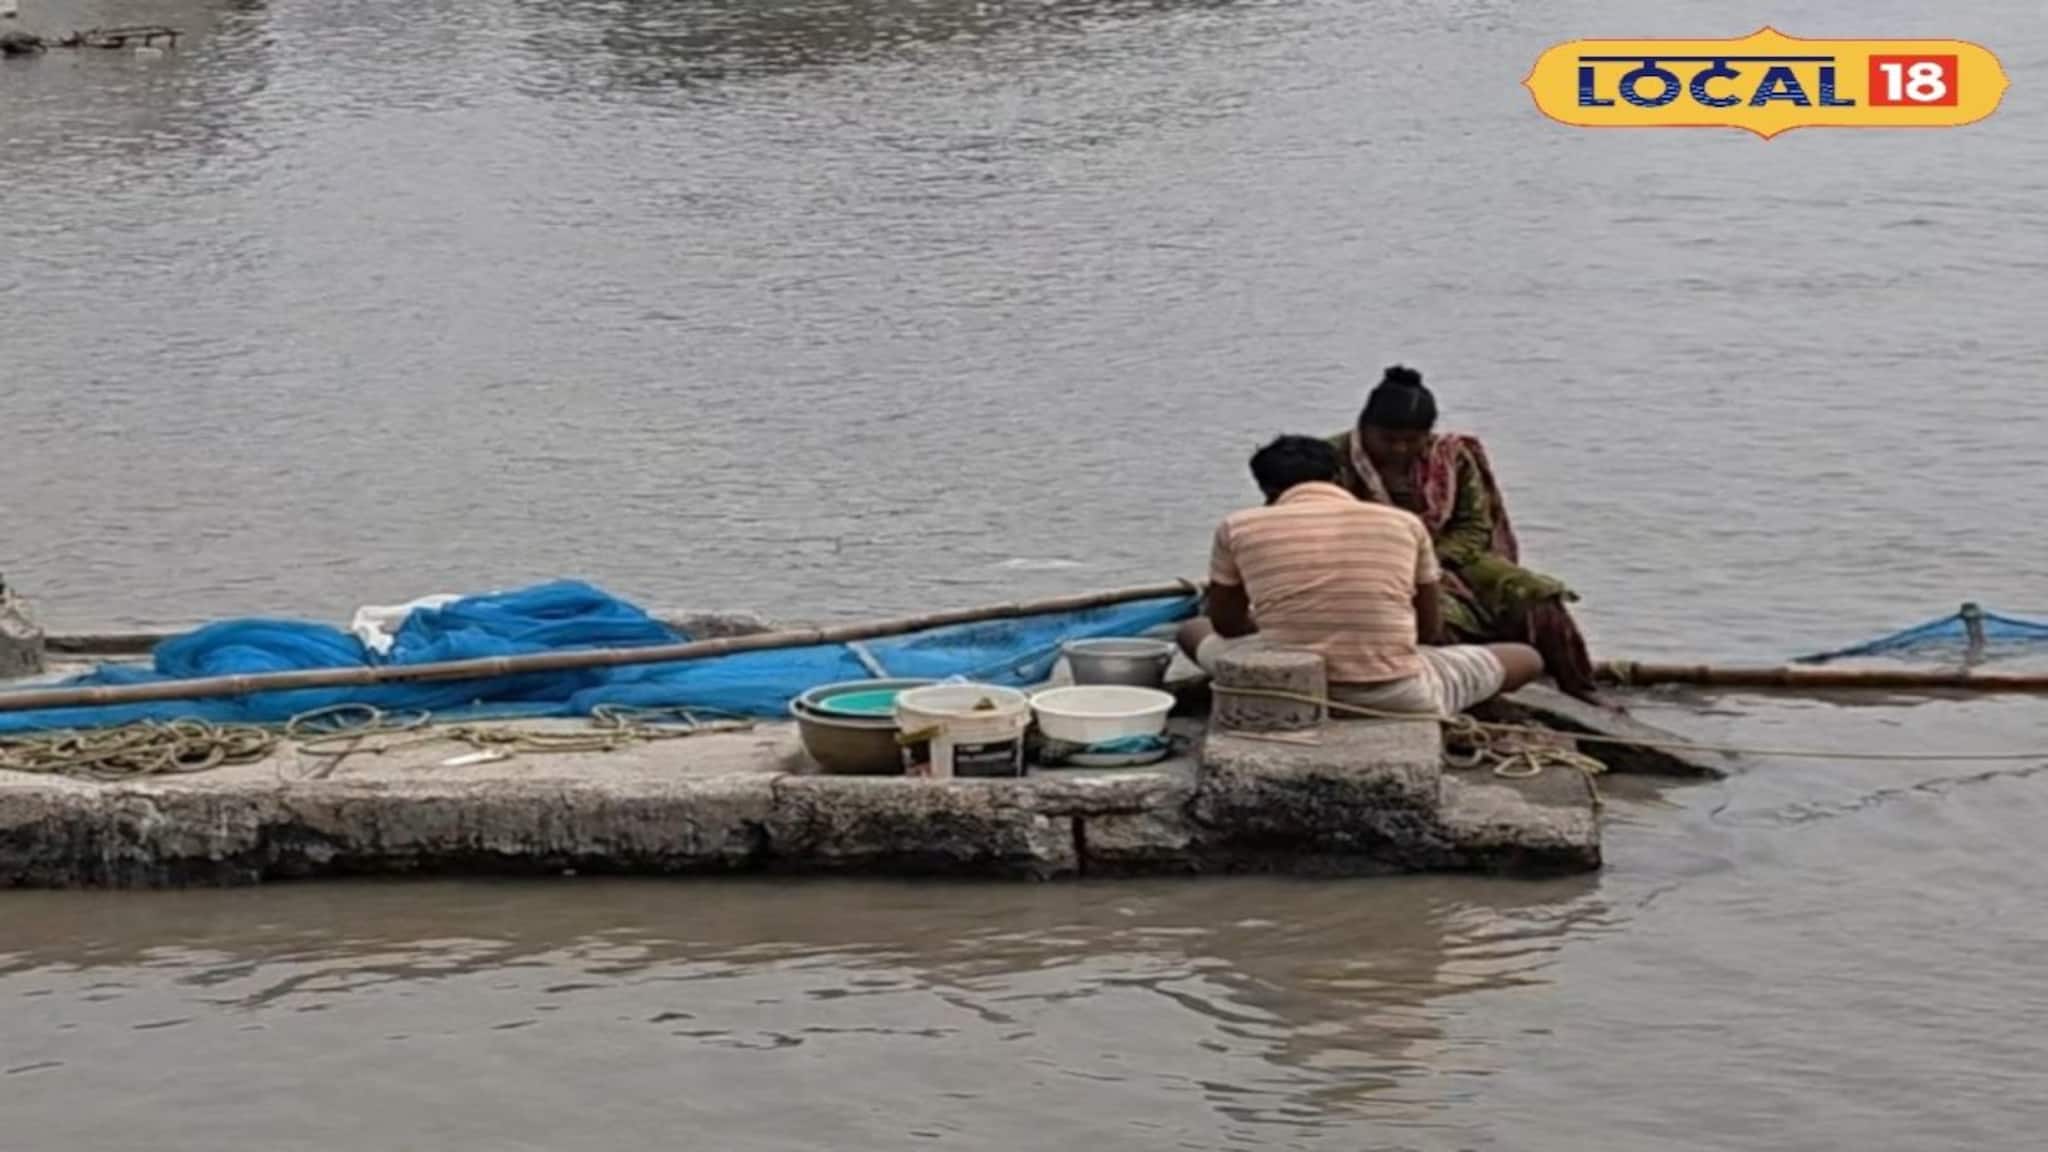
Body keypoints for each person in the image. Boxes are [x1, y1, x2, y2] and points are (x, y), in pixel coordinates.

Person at [1177, 435, 1542, 718]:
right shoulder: (1403, 523)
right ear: (1338, 477)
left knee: (1193, 629)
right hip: (1400, 696)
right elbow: (1427, 631)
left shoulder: (1238, 527)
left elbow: (1225, 624)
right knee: (1525, 658)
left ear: (1266, 490)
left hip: (1280, 688)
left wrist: (1273, 623)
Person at [1328, 365, 1599, 700]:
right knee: (1432, 615)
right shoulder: (1332, 460)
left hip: (1450, 554)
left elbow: (1474, 525)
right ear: (1365, 428)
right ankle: (1461, 688)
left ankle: (1580, 687)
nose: (1399, 449)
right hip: (1370, 561)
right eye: (1388, 440)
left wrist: (1433, 561)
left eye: (1411, 441)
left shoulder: (1453, 457)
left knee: (1536, 595)